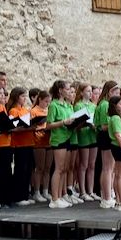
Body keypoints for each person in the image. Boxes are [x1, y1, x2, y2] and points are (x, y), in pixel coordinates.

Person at [47, 80, 75, 209]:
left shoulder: (67, 105)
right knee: (58, 168)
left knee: (64, 168)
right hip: (59, 138)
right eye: (68, 89)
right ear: (60, 90)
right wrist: (63, 122)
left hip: (68, 136)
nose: (69, 91)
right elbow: (48, 125)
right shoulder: (54, 105)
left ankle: (60, 195)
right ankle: (54, 198)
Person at [6, 87, 35, 206]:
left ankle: (25, 195)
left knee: (28, 170)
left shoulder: (26, 110)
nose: (25, 99)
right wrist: (24, 127)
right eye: (23, 96)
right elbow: (13, 128)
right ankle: (19, 196)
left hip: (29, 142)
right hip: (19, 144)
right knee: (20, 170)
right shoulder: (13, 110)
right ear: (17, 97)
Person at [74, 83, 98, 201]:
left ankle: (91, 190)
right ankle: (82, 191)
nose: (90, 93)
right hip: (83, 135)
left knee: (92, 165)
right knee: (83, 164)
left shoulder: (93, 106)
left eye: (90, 91)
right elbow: (77, 122)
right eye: (87, 91)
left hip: (93, 135)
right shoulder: (78, 106)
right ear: (82, 92)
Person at [31, 90, 52, 203]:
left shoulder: (49, 110)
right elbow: (31, 125)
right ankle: (36, 191)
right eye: (45, 101)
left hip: (49, 140)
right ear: (40, 99)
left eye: (49, 102)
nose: (47, 104)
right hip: (39, 141)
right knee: (39, 167)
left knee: (48, 168)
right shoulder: (34, 111)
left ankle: (45, 190)